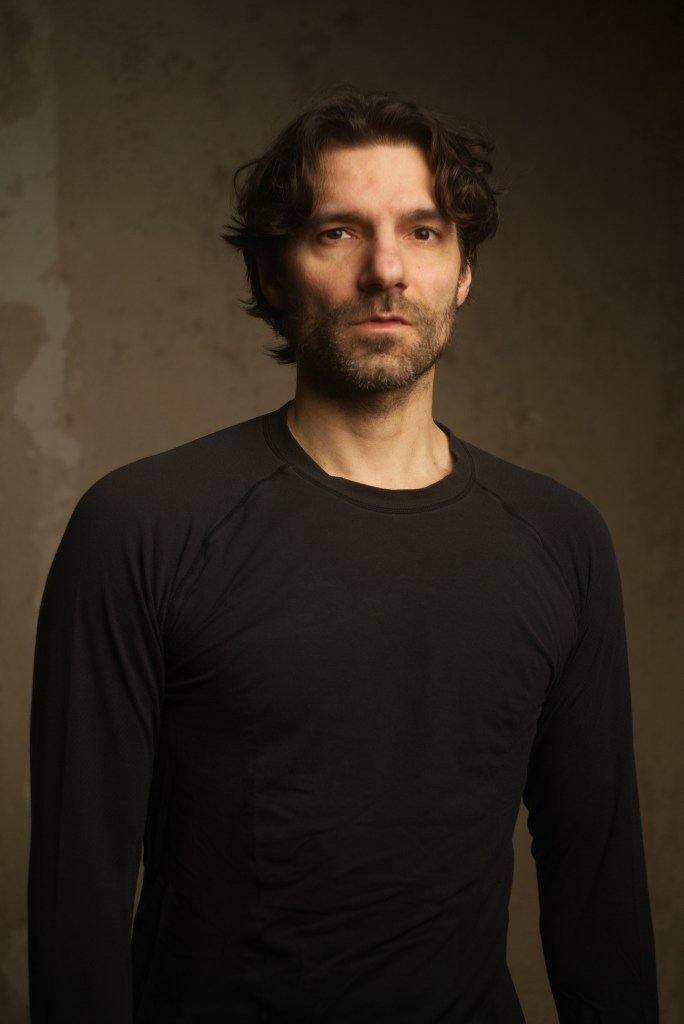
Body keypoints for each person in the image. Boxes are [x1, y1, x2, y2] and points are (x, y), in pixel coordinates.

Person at [29, 88, 658, 1023]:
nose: (386, 271)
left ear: (464, 270)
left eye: (424, 232)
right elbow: (76, 907)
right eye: (338, 232)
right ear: (274, 273)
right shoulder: (143, 526)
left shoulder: (562, 540)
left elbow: (598, 896)